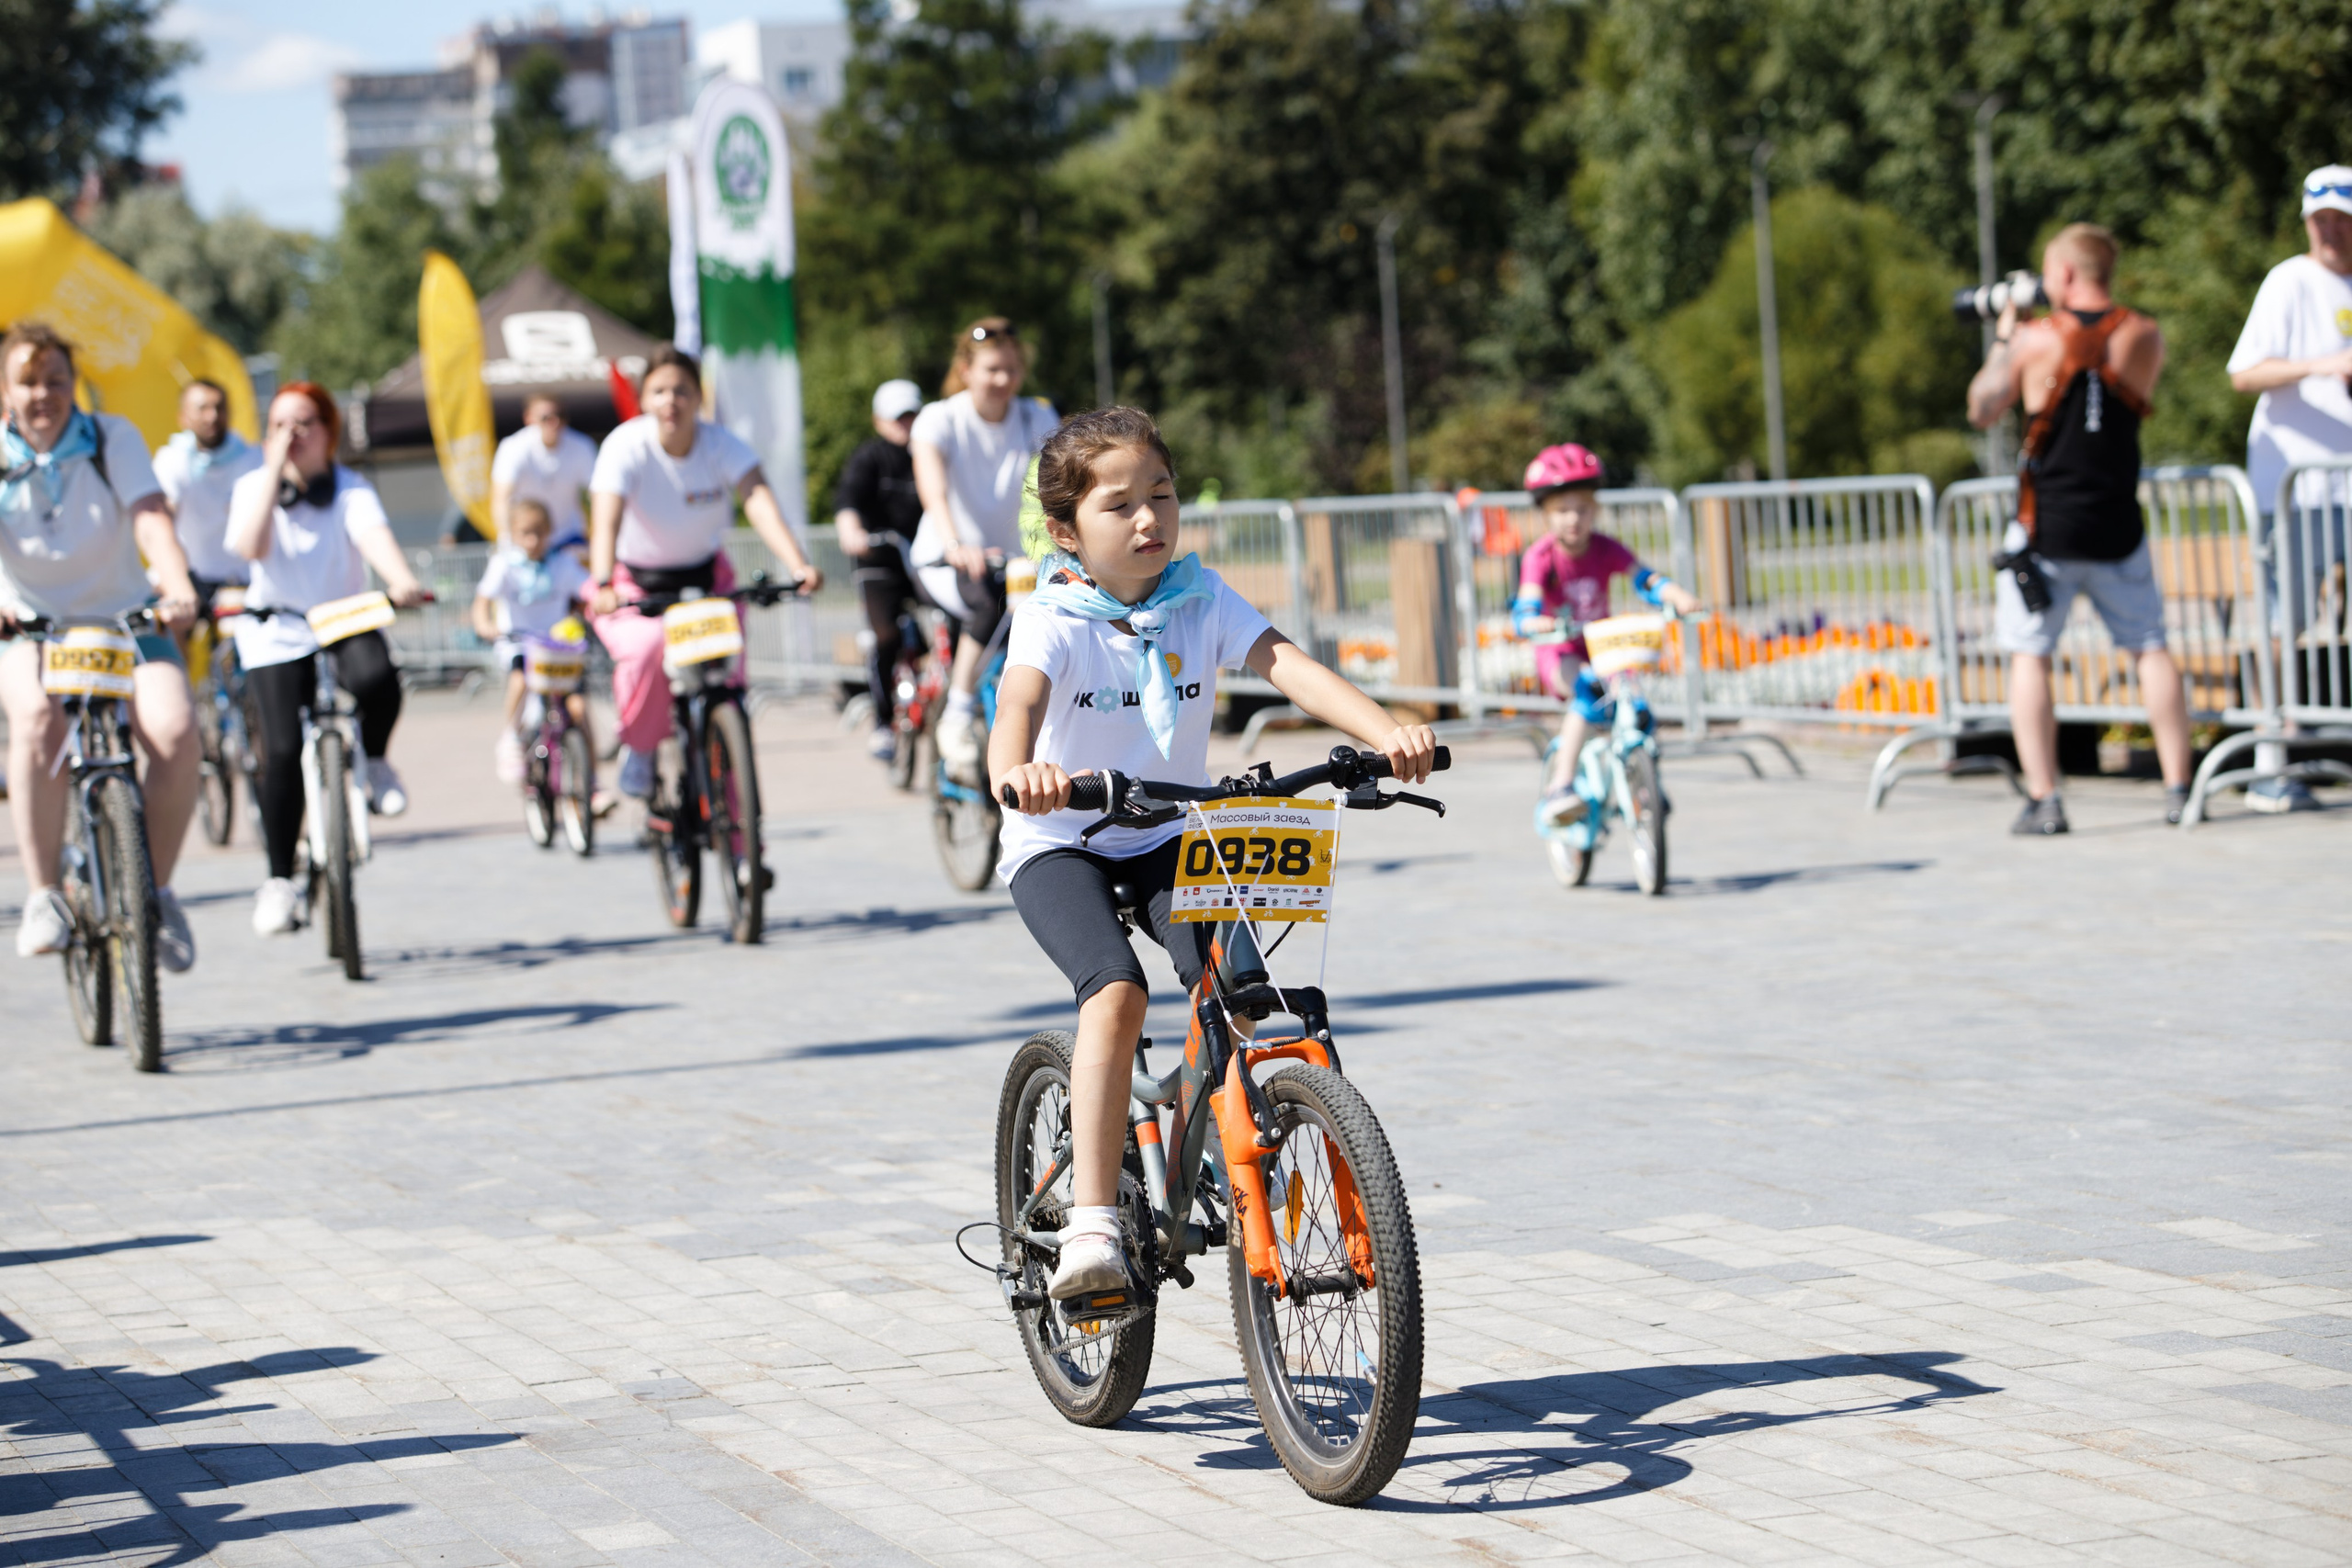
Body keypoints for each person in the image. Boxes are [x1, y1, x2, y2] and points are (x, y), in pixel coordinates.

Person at [990, 406, 1438, 1299]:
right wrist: (1017, 774)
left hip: (1162, 831)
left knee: (1240, 991)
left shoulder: (1201, 599)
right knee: (1115, 991)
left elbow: (1289, 666)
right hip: (1060, 842)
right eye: (1121, 506)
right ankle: (1089, 1226)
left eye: (1162, 494)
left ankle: (1199, 1140)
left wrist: (1387, 732)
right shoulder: (1053, 618)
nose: (1150, 518)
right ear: (1070, 529)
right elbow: (1015, 712)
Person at [1967, 221, 2188, 834]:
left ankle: (2046, 797)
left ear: (2062, 274)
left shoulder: (2034, 339)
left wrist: (2005, 334)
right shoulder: (2144, 334)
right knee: (2150, 645)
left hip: (2048, 529)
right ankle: (2179, 787)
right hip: (2119, 523)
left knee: (2029, 656)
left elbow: (1983, 407)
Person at [0, 322, 201, 970]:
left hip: (124, 619)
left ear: (73, 383)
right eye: (28, 381)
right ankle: (43, 895)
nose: (44, 394)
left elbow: (150, 517)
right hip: (32, 626)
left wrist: (175, 586)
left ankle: (159, 892)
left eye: (56, 378)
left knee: (176, 734)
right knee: (36, 721)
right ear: (5, 391)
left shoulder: (112, 438)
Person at [227, 383, 429, 935]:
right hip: (276, 627)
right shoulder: (252, 485)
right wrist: (272, 473)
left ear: (329, 432)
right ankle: (277, 880)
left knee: (379, 679)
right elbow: (249, 547)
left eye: (305, 424)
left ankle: (378, 760)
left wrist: (402, 580)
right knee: (283, 748)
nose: (293, 435)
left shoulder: (350, 487)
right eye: (280, 425)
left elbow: (374, 537)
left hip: (341, 617)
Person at [584, 346, 822, 799]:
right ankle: (640, 747)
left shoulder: (721, 445)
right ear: (644, 399)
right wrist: (602, 583)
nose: (670, 400)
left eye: (681, 390)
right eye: (659, 391)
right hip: (636, 584)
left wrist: (798, 563)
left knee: (727, 679)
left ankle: (740, 831)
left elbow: (758, 501)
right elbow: (606, 520)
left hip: (708, 581)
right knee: (648, 649)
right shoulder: (625, 446)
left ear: (698, 397)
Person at [2223, 165, 2352, 814]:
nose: (2331, 229)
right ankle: (2270, 762)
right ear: (2307, 221)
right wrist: (2325, 364)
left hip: (2347, 486)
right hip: (2295, 490)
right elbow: (2245, 371)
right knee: (2284, 622)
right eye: (2321, 218)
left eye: (2342, 217)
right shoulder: (2289, 280)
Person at [1511, 444, 1700, 825]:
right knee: (1587, 694)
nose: (1573, 519)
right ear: (1546, 514)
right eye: (1562, 510)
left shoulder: (1605, 547)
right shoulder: (1541, 556)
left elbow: (1643, 578)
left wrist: (1674, 594)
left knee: (1638, 707)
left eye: (1582, 509)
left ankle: (1645, 781)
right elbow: (1527, 601)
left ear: (1595, 509)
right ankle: (1561, 787)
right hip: (1559, 649)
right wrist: (1533, 620)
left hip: (1602, 647)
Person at [910, 320, 1059, 781]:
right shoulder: (940, 418)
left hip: (1019, 559)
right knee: (986, 607)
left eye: (1012, 369)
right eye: (992, 369)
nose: (1003, 380)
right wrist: (956, 543)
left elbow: (1055, 483)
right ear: (966, 370)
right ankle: (956, 712)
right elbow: (933, 487)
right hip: (946, 556)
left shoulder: (1037, 417)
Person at [834, 378, 929, 761]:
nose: (906, 425)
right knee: (885, 637)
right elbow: (848, 499)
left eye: (912, 416)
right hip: (879, 561)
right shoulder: (870, 457)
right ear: (879, 421)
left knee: (952, 631)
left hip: (925, 559)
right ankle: (882, 721)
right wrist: (851, 530)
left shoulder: (932, 453)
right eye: (898, 418)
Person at [471, 498, 594, 784]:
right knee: (521, 679)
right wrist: (484, 624)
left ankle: (592, 781)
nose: (533, 540)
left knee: (578, 708)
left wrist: (597, 599)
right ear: (513, 534)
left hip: (558, 648)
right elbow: (482, 600)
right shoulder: (504, 565)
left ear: (549, 531)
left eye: (539, 532)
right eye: (525, 533)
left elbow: (585, 588)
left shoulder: (562, 563)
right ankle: (512, 738)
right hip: (520, 643)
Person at [151, 378, 262, 630]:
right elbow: (163, 519)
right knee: (165, 622)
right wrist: (174, 579)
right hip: (190, 576)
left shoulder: (252, 458)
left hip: (241, 578)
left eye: (219, 407)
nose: (212, 416)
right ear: (184, 417)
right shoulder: (172, 460)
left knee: (237, 634)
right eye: (202, 409)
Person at [492, 393, 597, 554]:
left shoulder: (582, 446)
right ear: (529, 418)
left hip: (569, 538)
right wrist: (508, 541)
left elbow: (597, 494)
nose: (554, 422)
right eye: (545, 417)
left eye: (560, 416)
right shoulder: (513, 448)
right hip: (527, 540)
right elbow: (501, 498)